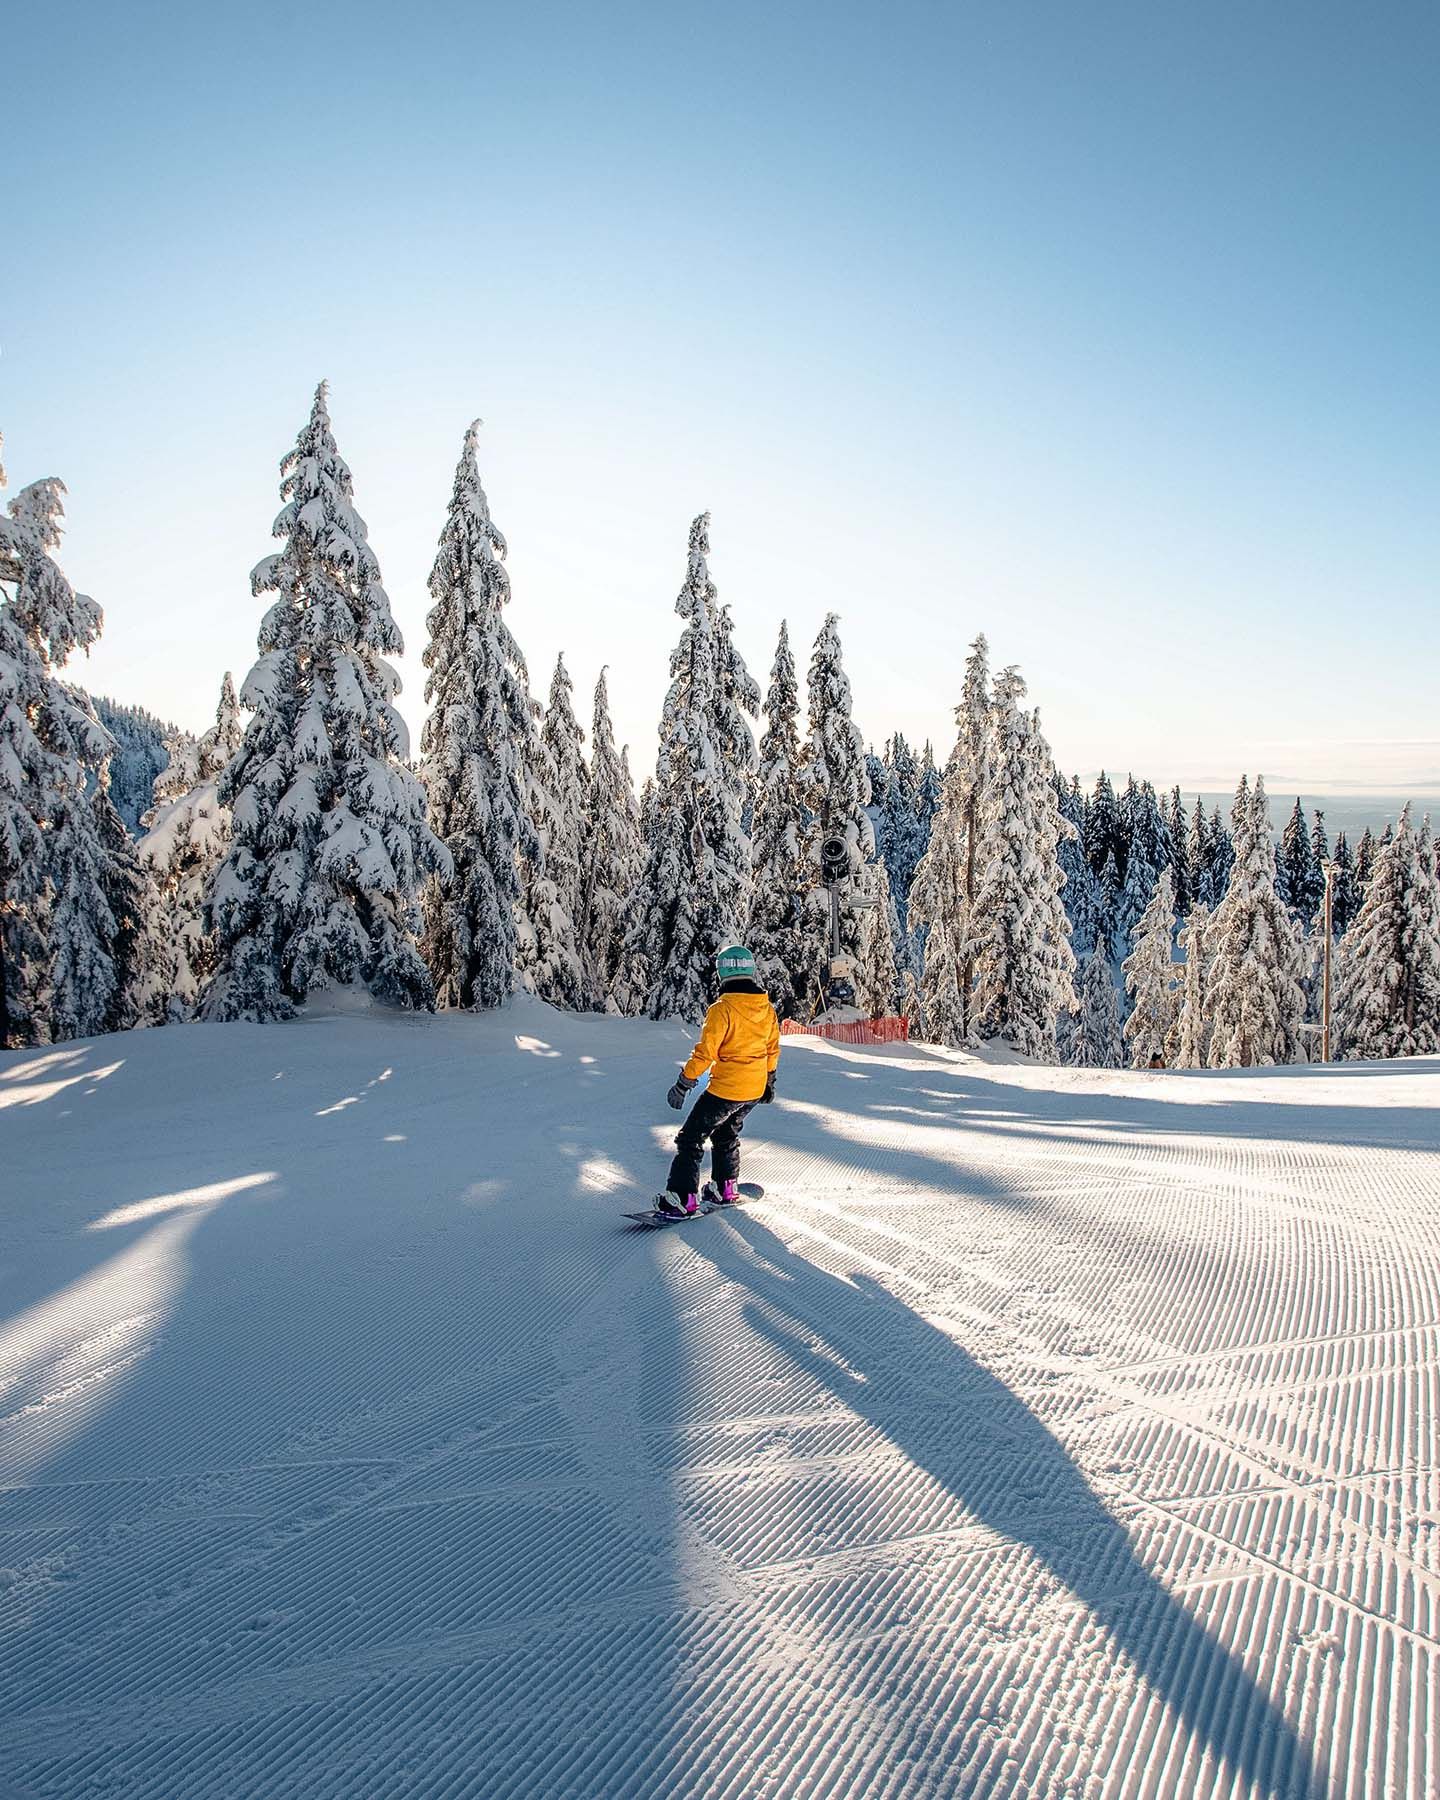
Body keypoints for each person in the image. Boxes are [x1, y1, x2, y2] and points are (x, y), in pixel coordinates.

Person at [656, 944, 780, 1218]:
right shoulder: (766, 1008)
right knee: (726, 1133)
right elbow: (772, 1049)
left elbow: (706, 1052)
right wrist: (769, 1081)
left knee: (690, 1138)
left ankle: (682, 1198)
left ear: (722, 974)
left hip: (727, 1089)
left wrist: (684, 1082)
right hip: (753, 1089)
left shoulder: (722, 1009)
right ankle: (725, 1188)